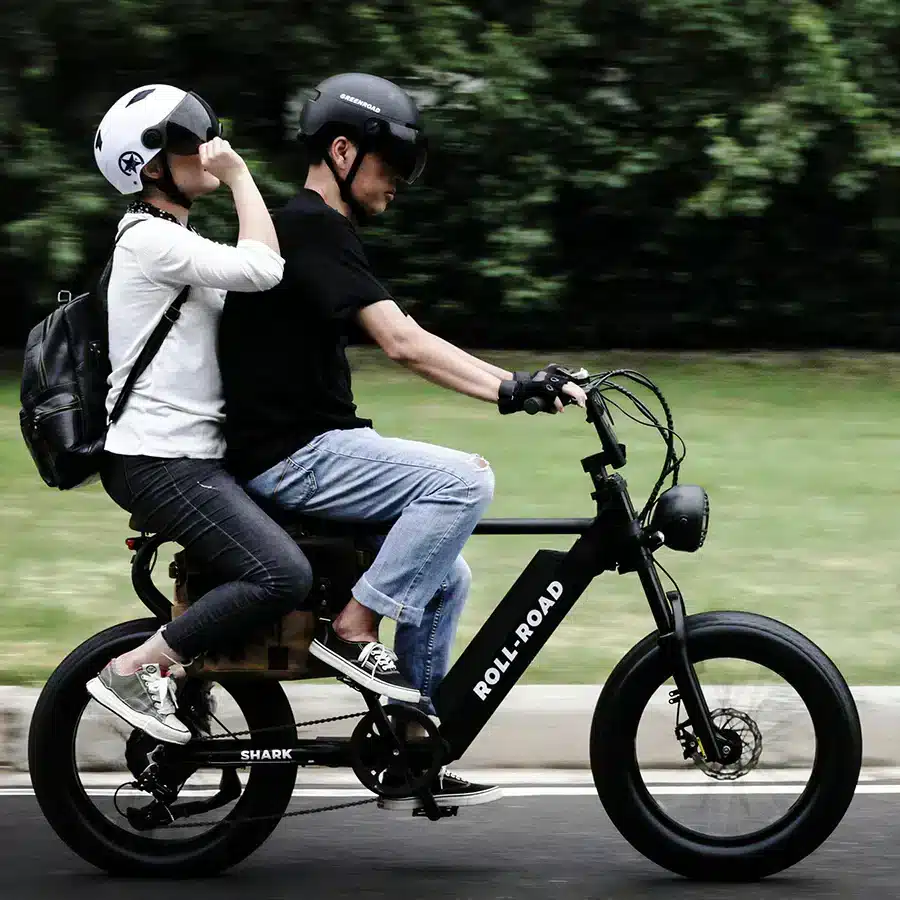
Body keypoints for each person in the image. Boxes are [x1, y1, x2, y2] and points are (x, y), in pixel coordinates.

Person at [217, 72, 586, 809]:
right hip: (294, 456)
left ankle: (413, 744)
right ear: (343, 152)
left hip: (305, 447)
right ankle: (354, 630)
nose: (398, 187)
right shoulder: (309, 227)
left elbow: (406, 338)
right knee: (464, 481)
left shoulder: (318, 232)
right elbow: (403, 342)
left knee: (447, 576)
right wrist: (511, 388)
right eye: (391, 168)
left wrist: (516, 383)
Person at [84, 84, 314, 746]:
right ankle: (136, 669)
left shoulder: (174, 241)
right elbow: (264, 266)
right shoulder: (147, 242)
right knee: (281, 573)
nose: (208, 151)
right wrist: (240, 173)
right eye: (188, 142)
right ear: (151, 167)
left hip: (188, 456)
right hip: (161, 461)